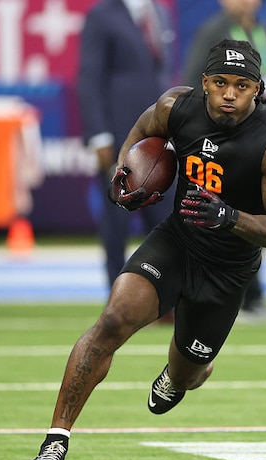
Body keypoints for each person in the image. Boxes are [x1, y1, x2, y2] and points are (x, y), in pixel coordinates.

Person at [27, 39, 266, 460]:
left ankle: (178, 378)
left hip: (227, 269)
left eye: (240, 85)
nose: (229, 94)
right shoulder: (175, 106)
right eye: (219, 83)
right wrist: (128, 173)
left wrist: (230, 216)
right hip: (177, 241)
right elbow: (140, 133)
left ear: (257, 89)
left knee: (189, 370)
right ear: (204, 83)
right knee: (114, 319)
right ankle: (55, 439)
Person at [182, 0, 266, 323]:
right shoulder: (213, 32)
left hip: (263, 138)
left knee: (256, 218)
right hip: (227, 141)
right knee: (228, 219)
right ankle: (230, 298)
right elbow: (192, 85)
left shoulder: (263, 32)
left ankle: (251, 298)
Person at [77, 0, 177, 291]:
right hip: (120, 135)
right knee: (117, 222)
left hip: (159, 136)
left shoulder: (159, 13)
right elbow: (89, 77)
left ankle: (161, 294)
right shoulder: (102, 15)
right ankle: (118, 295)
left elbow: (161, 74)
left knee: (165, 219)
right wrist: (99, 134)